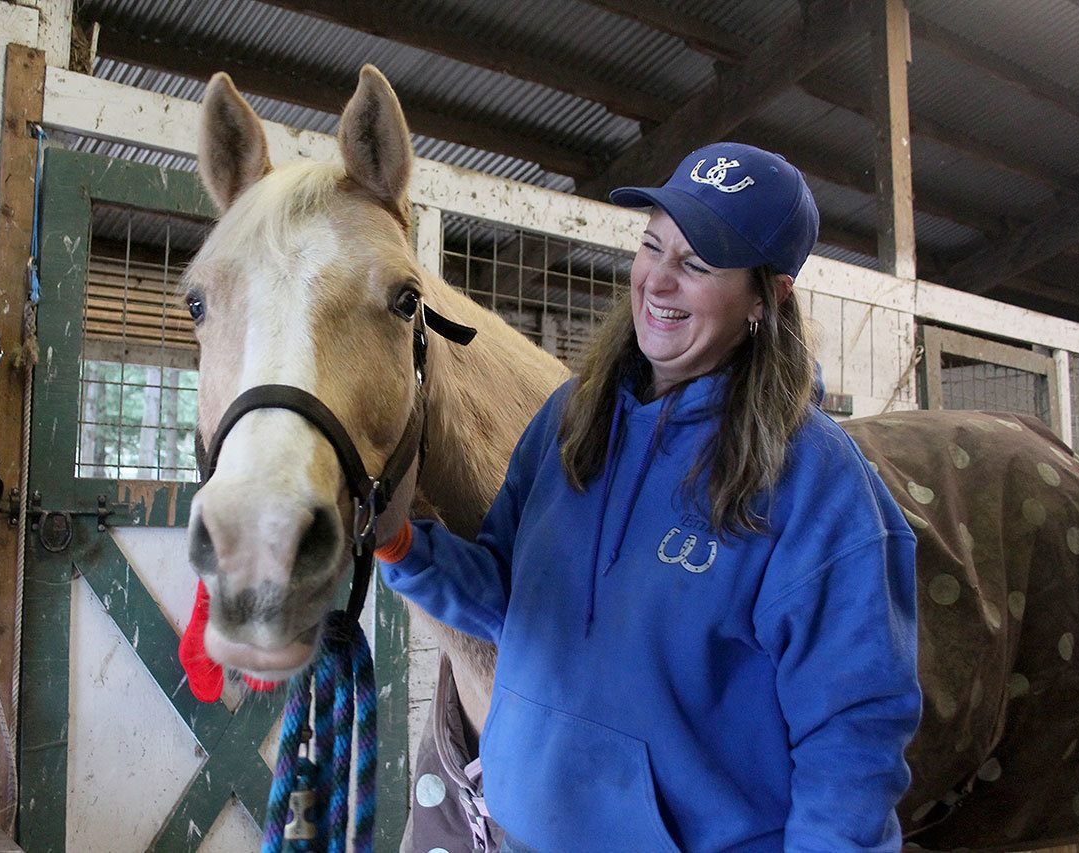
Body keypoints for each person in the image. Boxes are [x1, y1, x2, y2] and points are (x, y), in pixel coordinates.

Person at [375, 142, 922, 852]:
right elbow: (510, 597)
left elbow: (853, 740)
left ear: (767, 297)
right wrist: (401, 541)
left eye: (696, 264)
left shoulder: (819, 486)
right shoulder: (572, 418)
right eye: (652, 245)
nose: (658, 283)